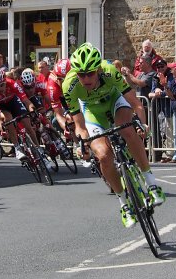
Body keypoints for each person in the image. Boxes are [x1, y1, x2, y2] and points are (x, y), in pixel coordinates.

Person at [62, 43, 164, 228]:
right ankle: (124, 203)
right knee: (103, 156)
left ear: (99, 69)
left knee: (126, 129)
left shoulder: (109, 71)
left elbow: (135, 103)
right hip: (92, 112)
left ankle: (151, 183)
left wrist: (142, 123)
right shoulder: (69, 85)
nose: (86, 78)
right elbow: (80, 125)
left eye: (90, 73)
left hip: (114, 101)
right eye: (81, 74)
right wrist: (83, 144)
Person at [0, 66, 39, 159]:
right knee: (8, 119)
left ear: (5, 80)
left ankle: (39, 149)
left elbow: (26, 101)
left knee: (28, 125)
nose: (0, 89)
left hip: (12, 101)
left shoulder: (12, 83)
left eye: (2, 85)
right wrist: (1, 125)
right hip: (2, 106)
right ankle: (17, 148)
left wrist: (32, 110)